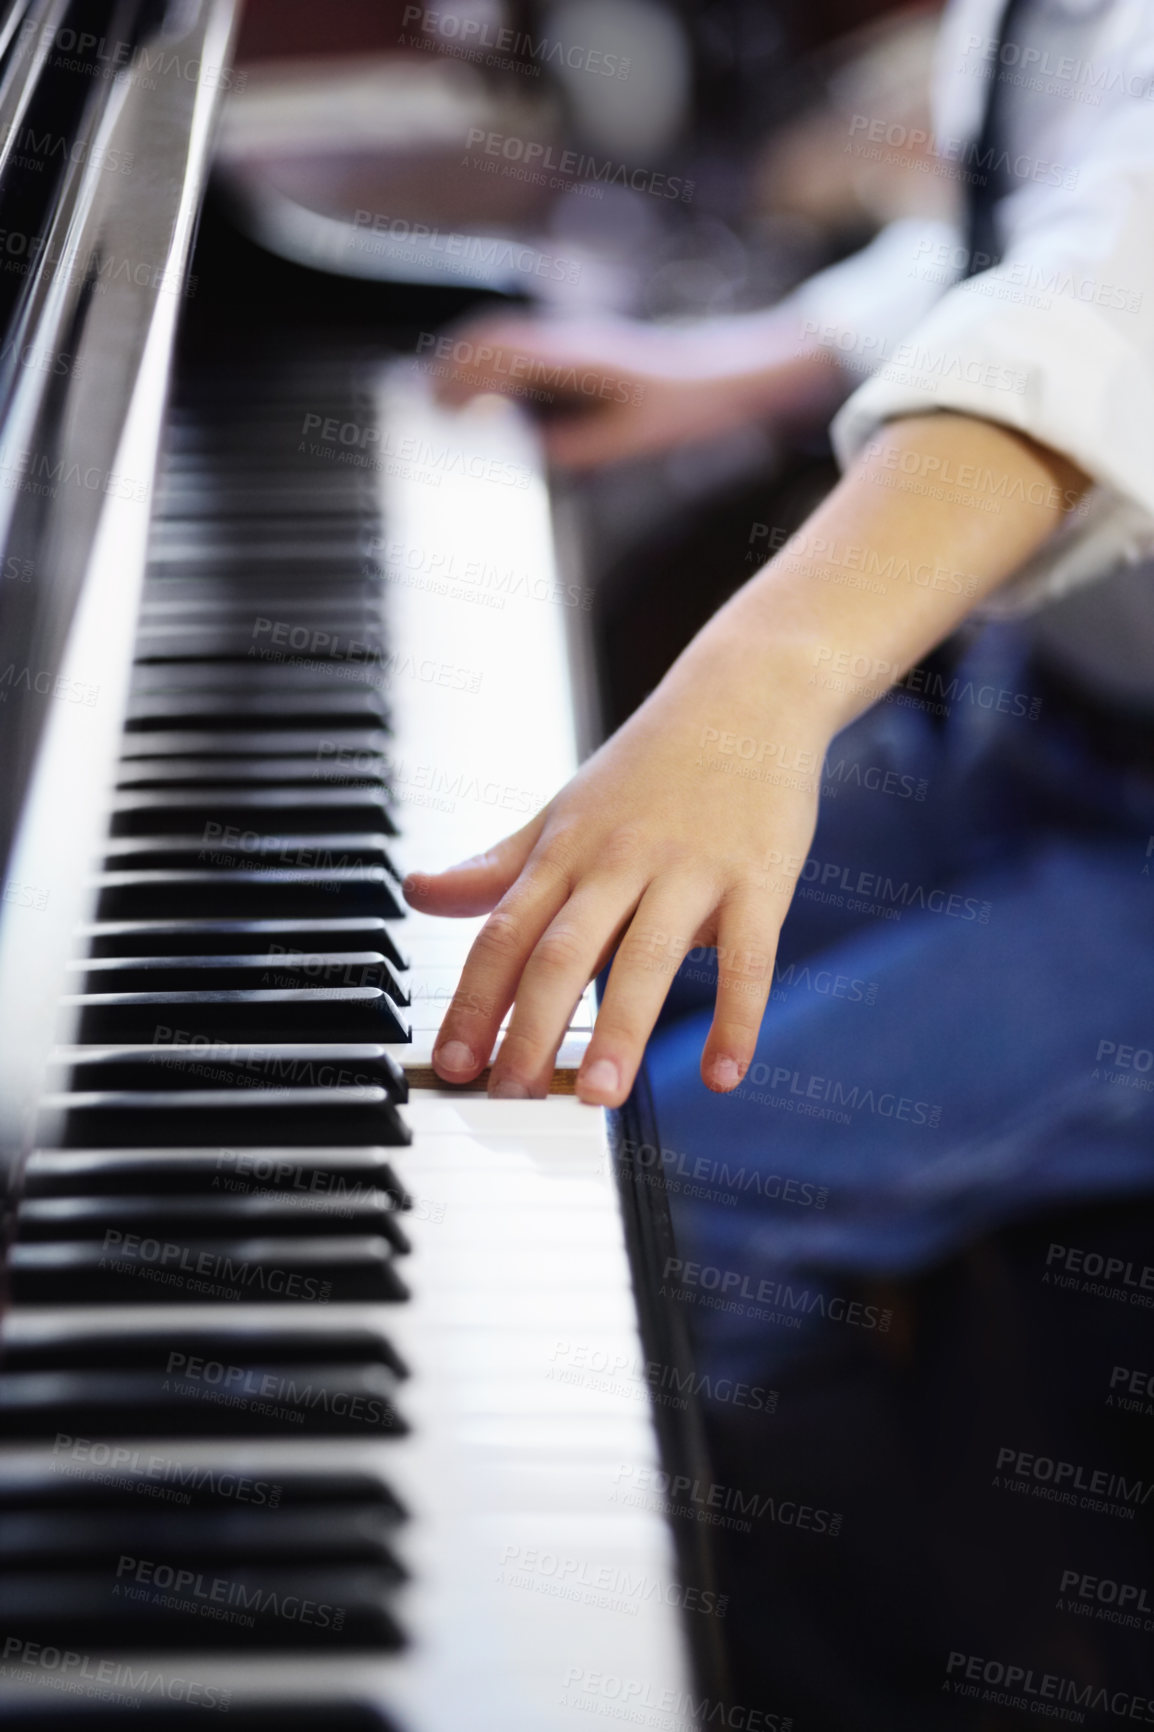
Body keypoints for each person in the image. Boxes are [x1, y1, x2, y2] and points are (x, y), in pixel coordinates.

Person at [403, 0, 1154, 1117]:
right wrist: (757, 363)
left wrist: (758, 684)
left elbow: (1101, 325)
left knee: (682, 1173)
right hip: (1041, 711)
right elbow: (1042, 228)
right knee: (530, 984)